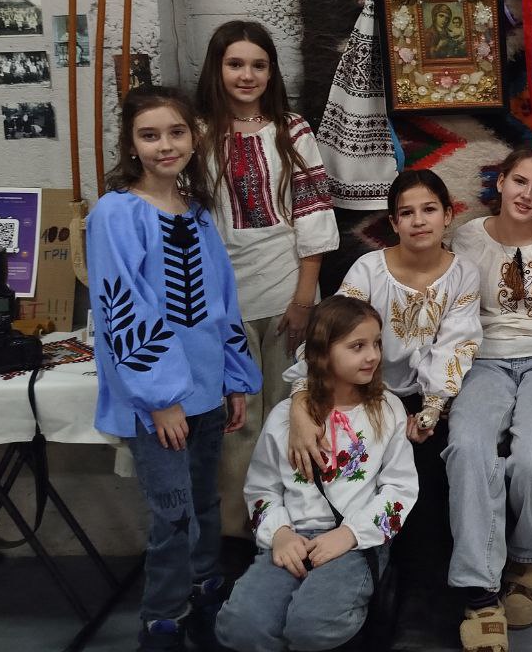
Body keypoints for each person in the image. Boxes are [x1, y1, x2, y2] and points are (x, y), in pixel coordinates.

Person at [86, 86, 263, 652]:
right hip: (158, 400)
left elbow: (222, 301)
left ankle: (205, 590)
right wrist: (161, 398)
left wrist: (234, 378)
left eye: (176, 132)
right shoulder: (116, 213)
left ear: (194, 137)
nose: (165, 145)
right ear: (130, 145)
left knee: (207, 502)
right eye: (150, 135)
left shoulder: (198, 211)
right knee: (173, 513)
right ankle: (162, 616)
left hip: (208, 390)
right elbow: (121, 306)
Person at [286, 169, 483, 627]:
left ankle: (423, 594)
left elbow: (456, 344)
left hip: (427, 400)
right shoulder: (369, 269)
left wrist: (431, 409)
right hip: (363, 397)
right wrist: (299, 401)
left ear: (448, 215)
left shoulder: (463, 273)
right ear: (393, 223)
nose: (418, 221)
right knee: (352, 472)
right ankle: (358, 582)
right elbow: (332, 333)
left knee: (430, 479)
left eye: (429, 209)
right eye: (406, 213)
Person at [194, 21, 340, 557]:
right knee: (236, 420)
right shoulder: (196, 132)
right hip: (221, 300)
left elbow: (314, 217)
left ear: (272, 71)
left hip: (286, 292)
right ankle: (240, 533)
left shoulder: (291, 130)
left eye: (258, 65)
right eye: (235, 64)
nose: (247, 75)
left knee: (290, 413)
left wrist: (303, 300)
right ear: (217, 68)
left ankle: (299, 526)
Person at [215, 295, 418, 652]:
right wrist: (279, 534)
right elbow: (262, 488)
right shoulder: (285, 416)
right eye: (357, 346)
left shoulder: (388, 409)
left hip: (354, 541)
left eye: (376, 343)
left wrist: (350, 534)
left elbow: (400, 488)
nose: (372, 355)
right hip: (291, 538)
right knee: (241, 628)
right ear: (323, 353)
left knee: (312, 627)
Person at [444, 147, 532, 651]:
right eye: (519, 181)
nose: (527, 194)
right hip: (485, 359)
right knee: (467, 448)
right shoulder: (467, 236)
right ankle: (479, 588)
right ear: (500, 182)